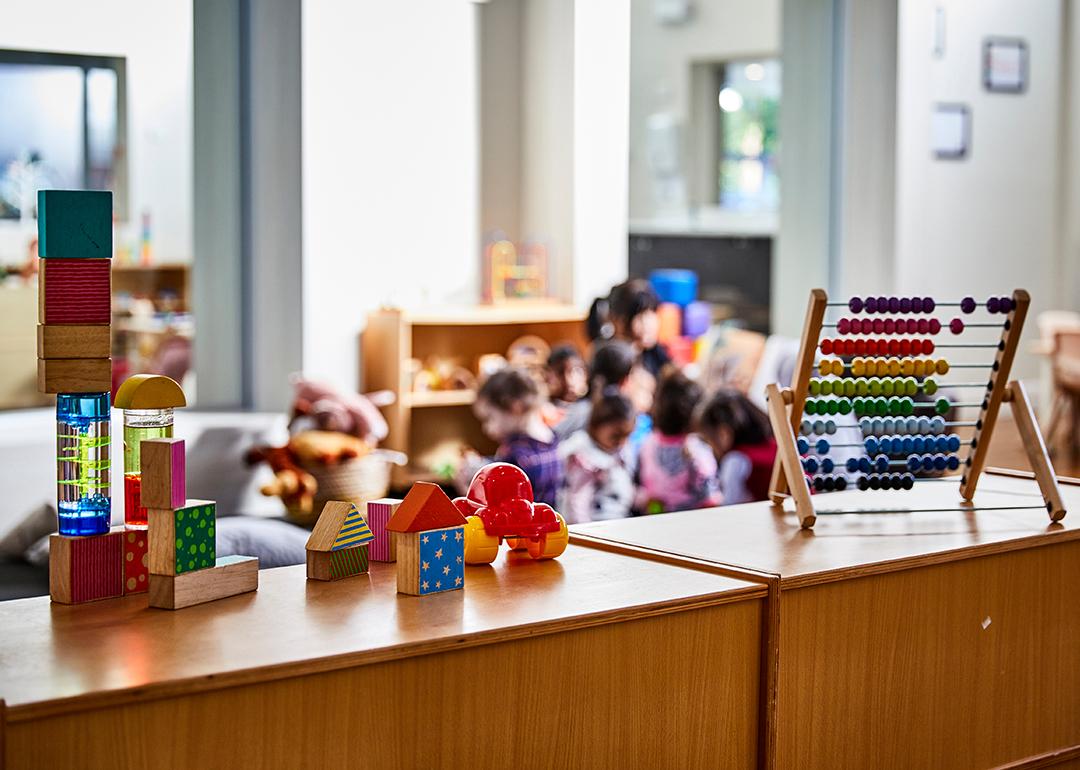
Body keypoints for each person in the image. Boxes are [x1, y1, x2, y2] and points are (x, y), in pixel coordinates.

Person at [468, 367, 562, 506]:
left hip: (524, 525)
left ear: (515, 407)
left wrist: (467, 484)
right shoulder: (553, 439)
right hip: (552, 521)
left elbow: (495, 509)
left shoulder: (515, 454)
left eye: (489, 418)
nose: (486, 428)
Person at [635, 368, 720, 513]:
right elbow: (710, 498)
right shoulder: (696, 449)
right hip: (688, 523)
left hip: (652, 519)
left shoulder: (648, 442)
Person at [558, 390, 636, 523]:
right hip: (593, 527)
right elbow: (577, 503)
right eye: (615, 436)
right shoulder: (584, 457)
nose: (621, 442)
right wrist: (584, 535)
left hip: (618, 521)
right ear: (595, 426)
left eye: (627, 436)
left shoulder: (618, 451)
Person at [696, 389, 777, 504]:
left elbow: (730, 507)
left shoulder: (736, 460)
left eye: (708, 440)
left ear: (723, 434)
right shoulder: (776, 445)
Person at [607, 279, 672, 377]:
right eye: (641, 316)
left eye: (653, 313)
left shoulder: (655, 352)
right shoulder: (609, 359)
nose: (649, 323)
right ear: (617, 320)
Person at [543, 344, 588, 425]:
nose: (568, 380)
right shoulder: (544, 413)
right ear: (548, 377)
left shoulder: (593, 409)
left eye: (576, 370)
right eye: (560, 373)